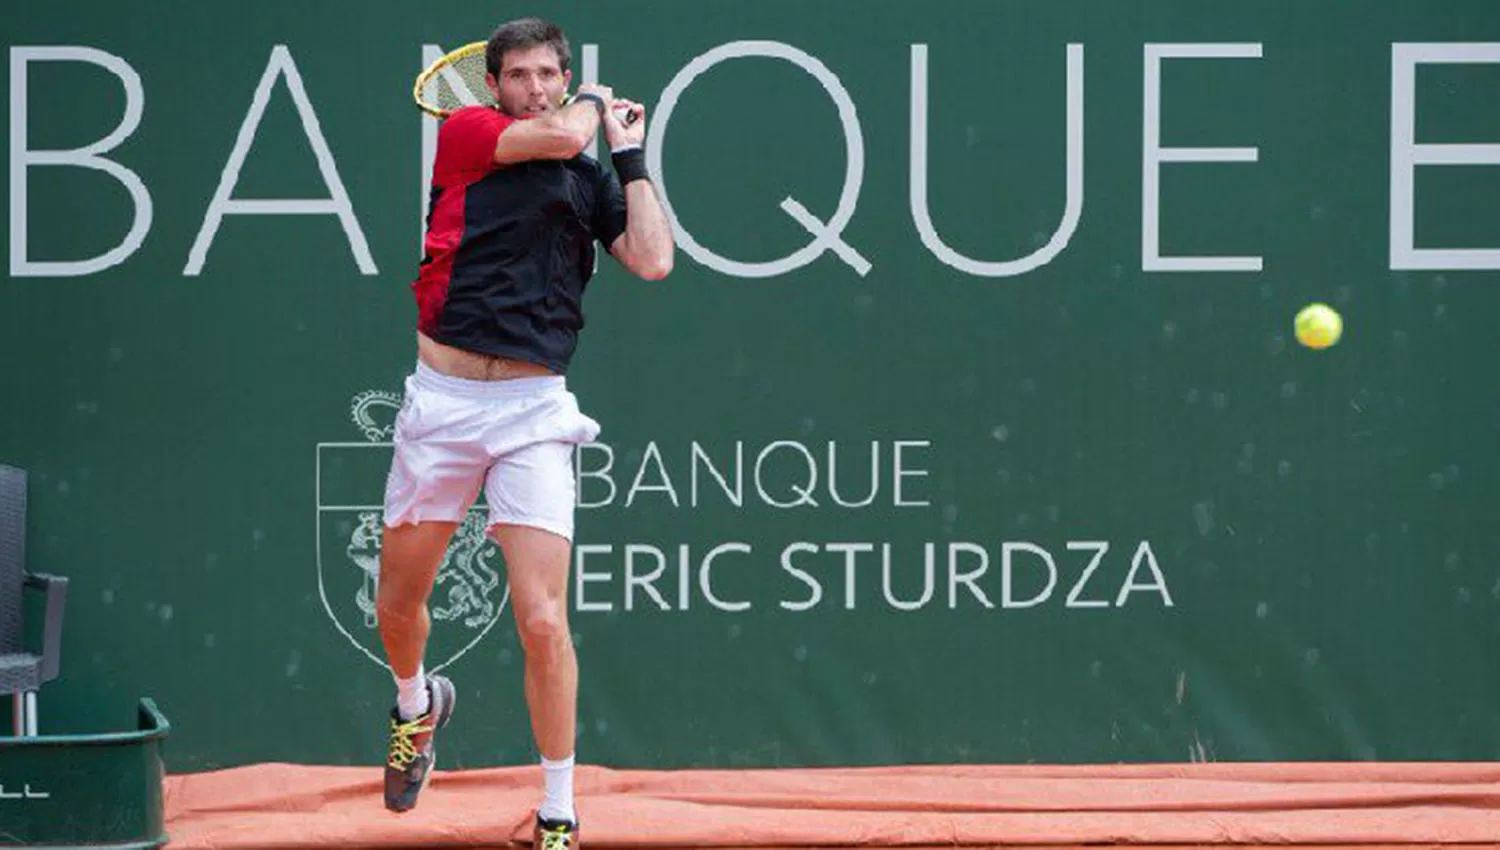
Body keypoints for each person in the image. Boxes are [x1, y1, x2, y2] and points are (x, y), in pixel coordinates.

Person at [373, 15, 673, 849]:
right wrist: (589, 104)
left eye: (551, 73)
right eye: (522, 76)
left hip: (535, 415)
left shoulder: (585, 175)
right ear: (494, 85)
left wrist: (631, 160)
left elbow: (652, 259)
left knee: (542, 618)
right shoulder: (469, 134)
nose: (536, 88)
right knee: (397, 602)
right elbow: (561, 127)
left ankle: (559, 810)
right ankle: (415, 704)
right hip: (443, 405)